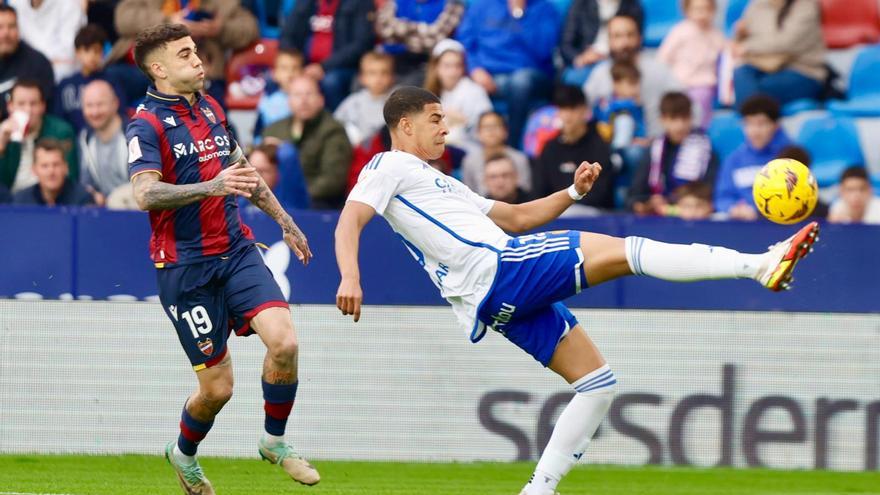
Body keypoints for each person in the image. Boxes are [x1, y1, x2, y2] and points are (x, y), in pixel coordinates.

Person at [334, 85, 819, 495]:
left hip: (492, 297)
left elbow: (518, 217)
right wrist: (351, 275)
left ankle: (538, 489)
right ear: (404, 124)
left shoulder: (439, 182)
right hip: (499, 270)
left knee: (597, 385)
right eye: (435, 119)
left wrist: (573, 193)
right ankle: (758, 265)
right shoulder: (387, 166)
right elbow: (350, 219)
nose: (445, 128)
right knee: (628, 250)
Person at [125, 24, 319, 495]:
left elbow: (244, 173)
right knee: (217, 389)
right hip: (185, 268)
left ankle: (274, 441)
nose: (197, 59)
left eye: (196, 50)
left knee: (285, 343)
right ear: (159, 69)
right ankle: (184, 454)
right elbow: (144, 193)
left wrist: (285, 222)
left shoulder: (211, 108)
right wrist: (210, 187)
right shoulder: (145, 124)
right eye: (185, 53)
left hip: (235, 251)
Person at [456, 0, 560, 149]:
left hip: (533, 75)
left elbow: (543, 50)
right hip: (488, 74)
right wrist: (475, 69)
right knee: (465, 86)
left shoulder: (545, 9)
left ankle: (512, 148)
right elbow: (466, 43)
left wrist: (519, 14)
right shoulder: (481, 6)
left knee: (520, 82)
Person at [584, 14, 682, 138]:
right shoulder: (600, 73)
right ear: (609, 41)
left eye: (630, 35)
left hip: (651, 143)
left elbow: (685, 103)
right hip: (606, 144)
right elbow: (583, 107)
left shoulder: (658, 69)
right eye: (617, 36)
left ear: (639, 38)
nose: (624, 42)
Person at [263, 75, 353, 209]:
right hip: (276, 201)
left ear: (321, 100)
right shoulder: (273, 130)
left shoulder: (333, 130)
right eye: (297, 95)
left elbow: (333, 180)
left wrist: (298, 195)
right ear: (288, 101)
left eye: (309, 94)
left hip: (319, 206)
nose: (303, 100)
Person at [628, 92, 717, 215]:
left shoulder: (705, 149)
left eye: (684, 118)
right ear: (662, 120)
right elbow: (635, 196)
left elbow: (710, 190)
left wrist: (676, 202)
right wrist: (648, 203)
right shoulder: (654, 150)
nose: (679, 125)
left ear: (691, 118)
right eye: (673, 119)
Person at [280, 0, 375, 110]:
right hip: (304, 65)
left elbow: (362, 44)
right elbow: (286, 36)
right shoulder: (305, 2)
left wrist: (323, 66)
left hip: (341, 67)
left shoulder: (360, 3)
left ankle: (336, 122)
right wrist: (296, 65)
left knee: (331, 82)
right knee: (273, 79)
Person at [533, 85, 615, 212]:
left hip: (592, 214)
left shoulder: (599, 146)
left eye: (572, 109)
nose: (567, 116)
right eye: (562, 109)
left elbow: (602, 193)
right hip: (555, 214)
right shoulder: (550, 148)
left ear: (584, 110)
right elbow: (539, 191)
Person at [731, 0, 826, 108]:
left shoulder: (806, 6)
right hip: (762, 66)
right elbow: (740, 41)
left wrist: (747, 47)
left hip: (801, 71)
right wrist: (739, 35)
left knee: (753, 91)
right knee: (740, 73)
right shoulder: (757, 5)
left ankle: (752, 119)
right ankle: (752, 118)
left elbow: (786, 43)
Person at [714, 94, 790, 220]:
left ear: (776, 125)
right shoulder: (734, 159)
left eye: (761, 124)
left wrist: (758, 211)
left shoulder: (789, 157)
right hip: (741, 226)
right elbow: (722, 197)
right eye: (749, 124)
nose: (754, 131)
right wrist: (733, 208)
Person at [0, 80, 78, 193]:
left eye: (33, 103)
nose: (28, 110)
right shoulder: (4, 131)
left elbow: (70, 176)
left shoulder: (61, 131)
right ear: (10, 106)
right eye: (21, 104)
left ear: (43, 106)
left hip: (47, 200)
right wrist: (1, 144)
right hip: (10, 204)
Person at [657, 0, 724, 129]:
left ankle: (699, 131)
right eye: (697, 10)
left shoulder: (716, 34)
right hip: (678, 82)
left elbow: (726, 53)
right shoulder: (680, 31)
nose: (702, 14)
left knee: (701, 101)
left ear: (713, 11)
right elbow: (663, 56)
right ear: (687, 11)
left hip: (703, 83)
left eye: (707, 10)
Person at [54, 24, 127, 135]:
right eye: (87, 50)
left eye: (97, 51)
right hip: (73, 140)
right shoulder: (66, 84)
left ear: (103, 53)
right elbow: (59, 118)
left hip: (105, 138)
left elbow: (120, 113)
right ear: (77, 52)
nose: (92, 56)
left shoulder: (111, 81)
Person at [376, 0, 465, 86]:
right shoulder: (395, 2)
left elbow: (436, 38)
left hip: (427, 62)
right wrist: (424, 30)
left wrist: (401, 30)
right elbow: (383, 29)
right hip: (394, 60)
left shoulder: (452, 3)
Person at [423, 38, 492, 146]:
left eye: (457, 66)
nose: (452, 72)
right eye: (447, 66)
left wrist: (465, 121)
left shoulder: (475, 91)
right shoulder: (430, 93)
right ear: (436, 67)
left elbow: (488, 128)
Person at [559, 0, 643, 86]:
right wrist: (581, 58)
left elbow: (636, 38)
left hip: (619, 60)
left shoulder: (632, 6)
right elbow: (565, 45)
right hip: (586, 63)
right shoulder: (580, 4)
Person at [7, 0, 86, 82]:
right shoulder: (15, 4)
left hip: (62, 77)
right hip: (23, 75)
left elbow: (70, 54)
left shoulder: (70, 5)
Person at [79, 80, 129, 206]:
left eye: (100, 104)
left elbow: (143, 185)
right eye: (89, 105)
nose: (95, 112)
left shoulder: (133, 134)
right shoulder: (85, 138)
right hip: (103, 213)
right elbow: (86, 184)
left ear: (115, 104)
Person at [0, 5, 54, 119]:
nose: (6, 33)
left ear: (19, 29)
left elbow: (45, 109)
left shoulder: (38, 63)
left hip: (28, 130)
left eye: (11, 26)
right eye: (0, 27)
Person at [461, 111, 531, 196]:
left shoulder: (520, 159)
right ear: (478, 133)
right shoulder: (470, 161)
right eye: (486, 127)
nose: (491, 131)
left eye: (495, 126)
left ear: (505, 131)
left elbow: (525, 189)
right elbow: (468, 194)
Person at [334, 51, 396, 147]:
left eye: (384, 73)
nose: (378, 78)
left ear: (392, 77)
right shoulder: (353, 101)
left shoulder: (397, 101)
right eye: (372, 73)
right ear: (362, 78)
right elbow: (337, 122)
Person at [12, 138, 93, 207]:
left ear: (66, 167)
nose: (51, 171)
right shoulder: (21, 201)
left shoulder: (83, 199)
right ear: (34, 170)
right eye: (44, 166)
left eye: (56, 164)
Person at [593, 61, 645, 153]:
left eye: (637, 84)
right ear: (616, 84)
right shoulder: (605, 102)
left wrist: (641, 138)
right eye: (631, 84)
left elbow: (641, 127)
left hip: (630, 146)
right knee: (623, 119)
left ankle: (617, 153)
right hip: (605, 142)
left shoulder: (637, 105)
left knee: (625, 120)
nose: (636, 89)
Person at [254, 48, 304, 136]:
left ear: (302, 72)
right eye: (284, 68)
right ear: (274, 73)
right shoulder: (268, 100)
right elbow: (259, 131)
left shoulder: (306, 99)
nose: (290, 73)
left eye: (295, 68)